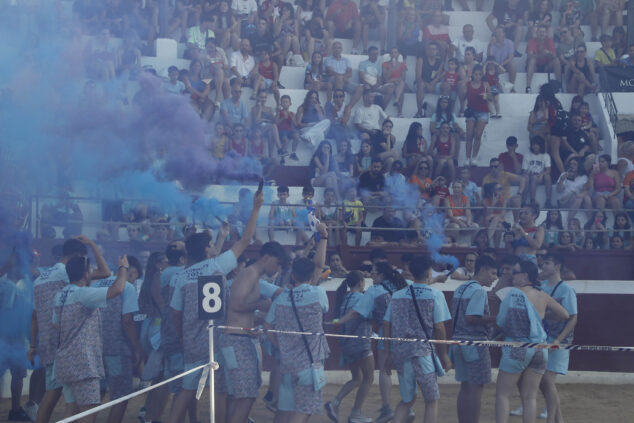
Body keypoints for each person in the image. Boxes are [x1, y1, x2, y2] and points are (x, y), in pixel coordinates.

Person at [165, 189, 263, 423]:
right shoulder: (218, 265)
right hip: (217, 338)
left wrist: (182, 336)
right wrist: (256, 208)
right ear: (208, 249)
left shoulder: (181, 276)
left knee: (187, 391)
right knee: (220, 390)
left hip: (192, 340)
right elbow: (245, 240)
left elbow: (175, 314)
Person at [32, 237, 110, 423]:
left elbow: (34, 315)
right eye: (84, 259)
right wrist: (92, 244)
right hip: (67, 341)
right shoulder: (66, 273)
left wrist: (33, 345)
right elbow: (106, 272)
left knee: (64, 396)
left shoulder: (40, 277)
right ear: (77, 257)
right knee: (54, 394)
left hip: (48, 339)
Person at [264, 223, 330, 422]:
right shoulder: (318, 294)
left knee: (283, 411)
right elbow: (319, 267)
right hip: (309, 365)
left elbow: (267, 327)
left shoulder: (283, 297)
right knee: (303, 411)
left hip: (287, 363)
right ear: (311, 276)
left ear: (292, 276)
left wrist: (280, 346)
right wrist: (324, 237)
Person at [52, 255, 128, 421]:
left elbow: (55, 325)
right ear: (86, 274)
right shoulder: (83, 294)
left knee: (71, 410)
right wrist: (123, 269)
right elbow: (118, 289)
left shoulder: (60, 295)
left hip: (65, 360)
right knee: (88, 413)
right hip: (84, 363)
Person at [494, 261, 569, 423]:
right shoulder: (542, 295)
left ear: (525, 276)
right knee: (530, 398)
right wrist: (542, 315)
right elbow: (564, 314)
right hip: (539, 349)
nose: (512, 276)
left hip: (516, 348)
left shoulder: (511, 294)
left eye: (515, 272)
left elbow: (500, 322)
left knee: (502, 394)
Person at [223, 242, 288, 423]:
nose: (277, 268)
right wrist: (260, 305)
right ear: (267, 257)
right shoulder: (249, 274)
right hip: (237, 340)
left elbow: (242, 309)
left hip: (241, 338)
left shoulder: (253, 276)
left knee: (242, 395)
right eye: (277, 263)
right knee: (246, 395)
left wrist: (258, 318)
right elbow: (235, 306)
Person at [336, 261, 409, 423]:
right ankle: (407, 406)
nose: (371, 275)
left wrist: (340, 321)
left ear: (381, 275)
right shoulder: (400, 284)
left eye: (374, 273)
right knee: (405, 369)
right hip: (406, 333)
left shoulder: (374, 290)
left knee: (384, 370)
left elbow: (356, 313)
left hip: (387, 332)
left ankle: (387, 408)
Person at [383, 255, 452, 423]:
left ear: (411, 272)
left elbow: (386, 324)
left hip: (401, 352)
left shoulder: (397, 295)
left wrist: (389, 352)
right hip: (423, 354)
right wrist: (443, 355)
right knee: (431, 400)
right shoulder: (435, 294)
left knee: (407, 400)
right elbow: (439, 328)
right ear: (429, 273)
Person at [89, 256, 143, 423]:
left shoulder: (94, 284)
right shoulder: (128, 286)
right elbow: (127, 321)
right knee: (120, 395)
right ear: (129, 271)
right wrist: (137, 348)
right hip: (117, 349)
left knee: (95, 394)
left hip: (95, 349)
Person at [450, 255, 498, 423]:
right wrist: (495, 319)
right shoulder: (478, 290)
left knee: (465, 387)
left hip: (457, 341)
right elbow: (472, 317)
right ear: (482, 270)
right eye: (492, 273)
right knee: (476, 388)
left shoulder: (461, 288)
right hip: (474, 343)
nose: (495, 277)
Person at [325, 271, 375, 423]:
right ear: (361, 282)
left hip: (346, 344)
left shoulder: (345, 298)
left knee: (357, 378)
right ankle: (356, 413)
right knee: (368, 377)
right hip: (360, 343)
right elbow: (370, 316)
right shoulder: (362, 298)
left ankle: (335, 402)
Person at [537, 253, 578, 423]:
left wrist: (558, 340)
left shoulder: (566, 289)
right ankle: (558, 420)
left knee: (546, 381)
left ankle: (552, 420)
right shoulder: (541, 287)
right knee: (545, 383)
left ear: (557, 266)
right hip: (544, 338)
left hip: (558, 341)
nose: (543, 266)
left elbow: (573, 317)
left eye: (547, 263)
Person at [462, 65, 491, 164]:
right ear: (473, 75)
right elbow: (463, 96)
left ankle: (474, 157)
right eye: (476, 74)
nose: (477, 76)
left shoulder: (486, 84)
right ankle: (467, 158)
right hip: (471, 110)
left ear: (481, 75)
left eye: (479, 74)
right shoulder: (468, 84)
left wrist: (486, 96)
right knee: (469, 135)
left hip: (483, 111)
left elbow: (491, 97)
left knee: (478, 135)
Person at [325, 42, 363, 106]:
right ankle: (338, 105)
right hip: (333, 80)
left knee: (360, 88)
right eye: (335, 48)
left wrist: (343, 77)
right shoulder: (328, 59)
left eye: (339, 48)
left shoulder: (346, 60)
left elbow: (349, 73)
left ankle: (349, 107)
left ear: (341, 49)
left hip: (344, 80)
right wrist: (342, 77)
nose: (337, 49)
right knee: (339, 78)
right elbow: (330, 72)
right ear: (332, 49)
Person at [525, 25, 560, 93]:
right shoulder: (532, 41)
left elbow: (554, 56)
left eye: (543, 32)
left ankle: (559, 86)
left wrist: (548, 53)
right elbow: (529, 56)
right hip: (534, 67)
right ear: (537, 33)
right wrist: (541, 55)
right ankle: (528, 87)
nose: (542, 33)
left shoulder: (550, 40)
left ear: (546, 33)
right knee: (532, 60)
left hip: (546, 66)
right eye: (540, 32)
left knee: (556, 61)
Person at [444, 180, 479, 245]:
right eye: (454, 187)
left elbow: (468, 213)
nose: (456, 189)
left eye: (458, 187)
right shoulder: (447, 199)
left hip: (463, 220)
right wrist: (460, 223)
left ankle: (471, 245)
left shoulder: (466, 198)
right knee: (456, 227)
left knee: (476, 226)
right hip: (451, 221)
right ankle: (456, 245)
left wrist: (468, 222)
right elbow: (450, 215)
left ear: (462, 189)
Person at [415, 42, 444, 118]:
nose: (432, 51)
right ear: (426, 50)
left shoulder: (440, 61)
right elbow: (418, 77)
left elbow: (438, 77)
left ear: (437, 51)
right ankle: (420, 112)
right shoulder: (421, 59)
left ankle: (443, 112)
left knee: (446, 86)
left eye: (434, 49)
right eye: (430, 49)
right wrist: (428, 85)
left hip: (433, 84)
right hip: (422, 83)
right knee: (420, 84)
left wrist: (432, 84)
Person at [523, 136, 553, 208]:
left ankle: (548, 201)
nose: (535, 146)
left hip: (541, 176)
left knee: (548, 177)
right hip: (531, 176)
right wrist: (531, 174)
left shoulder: (545, 155)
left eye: (537, 144)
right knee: (534, 178)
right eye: (533, 144)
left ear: (540, 145)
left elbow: (548, 170)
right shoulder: (527, 156)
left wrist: (542, 174)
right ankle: (532, 200)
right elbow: (524, 171)